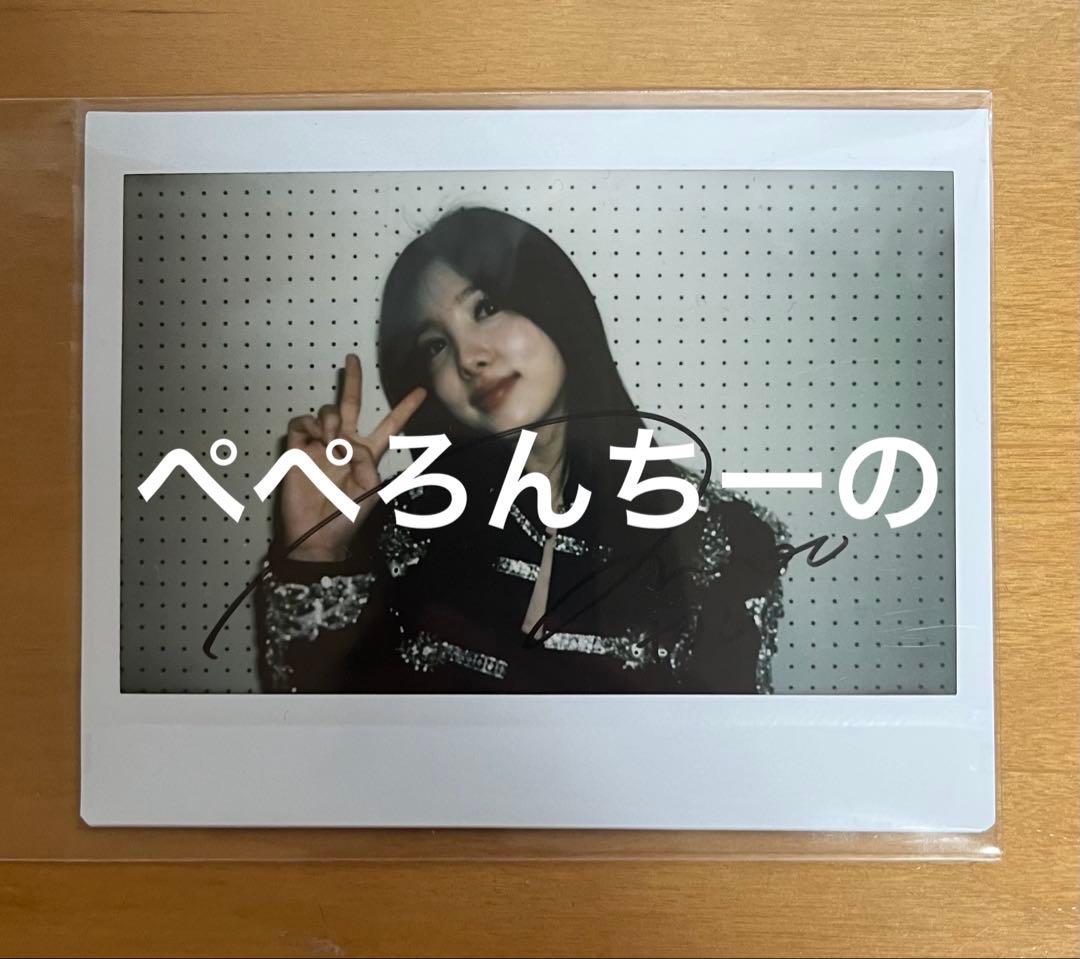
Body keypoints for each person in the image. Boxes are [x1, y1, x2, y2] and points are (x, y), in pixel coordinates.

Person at [257, 206, 789, 694]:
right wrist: (315, 554)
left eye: (486, 307)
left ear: (553, 305)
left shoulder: (718, 539)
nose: (468, 357)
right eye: (435, 344)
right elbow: (320, 742)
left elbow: (728, 753)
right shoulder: (396, 532)